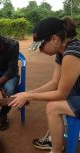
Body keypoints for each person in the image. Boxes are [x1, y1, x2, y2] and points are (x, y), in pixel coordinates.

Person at [9, 17, 80, 153]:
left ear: (54, 39)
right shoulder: (62, 51)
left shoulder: (72, 54)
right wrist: (27, 94)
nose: (40, 50)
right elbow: (54, 83)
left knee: (53, 107)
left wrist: (29, 97)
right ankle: (55, 138)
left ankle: (56, 150)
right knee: (55, 100)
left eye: (41, 45)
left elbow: (61, 93)